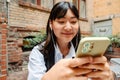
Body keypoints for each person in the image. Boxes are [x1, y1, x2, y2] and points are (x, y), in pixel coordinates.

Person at [28, 1, 114, 80]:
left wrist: (110, 76)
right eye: (61, 22)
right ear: (51, 24)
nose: (68, 28)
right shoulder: (39, 53)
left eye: (73, 22)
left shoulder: (85, 51)